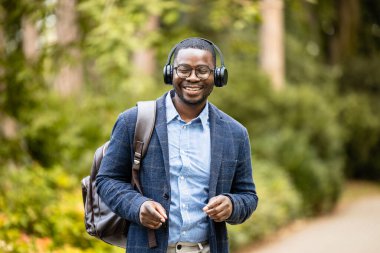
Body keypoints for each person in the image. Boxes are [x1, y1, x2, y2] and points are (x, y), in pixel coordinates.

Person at [96, 37, 258, 253]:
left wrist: (232, 204)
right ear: (170, 72)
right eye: (184, 69)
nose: (192, 78)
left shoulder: (235, 133)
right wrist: (138, 206)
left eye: (202, 70)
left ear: (217, 76)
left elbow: (248, 195)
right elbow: (107, 180)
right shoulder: (133, 121)